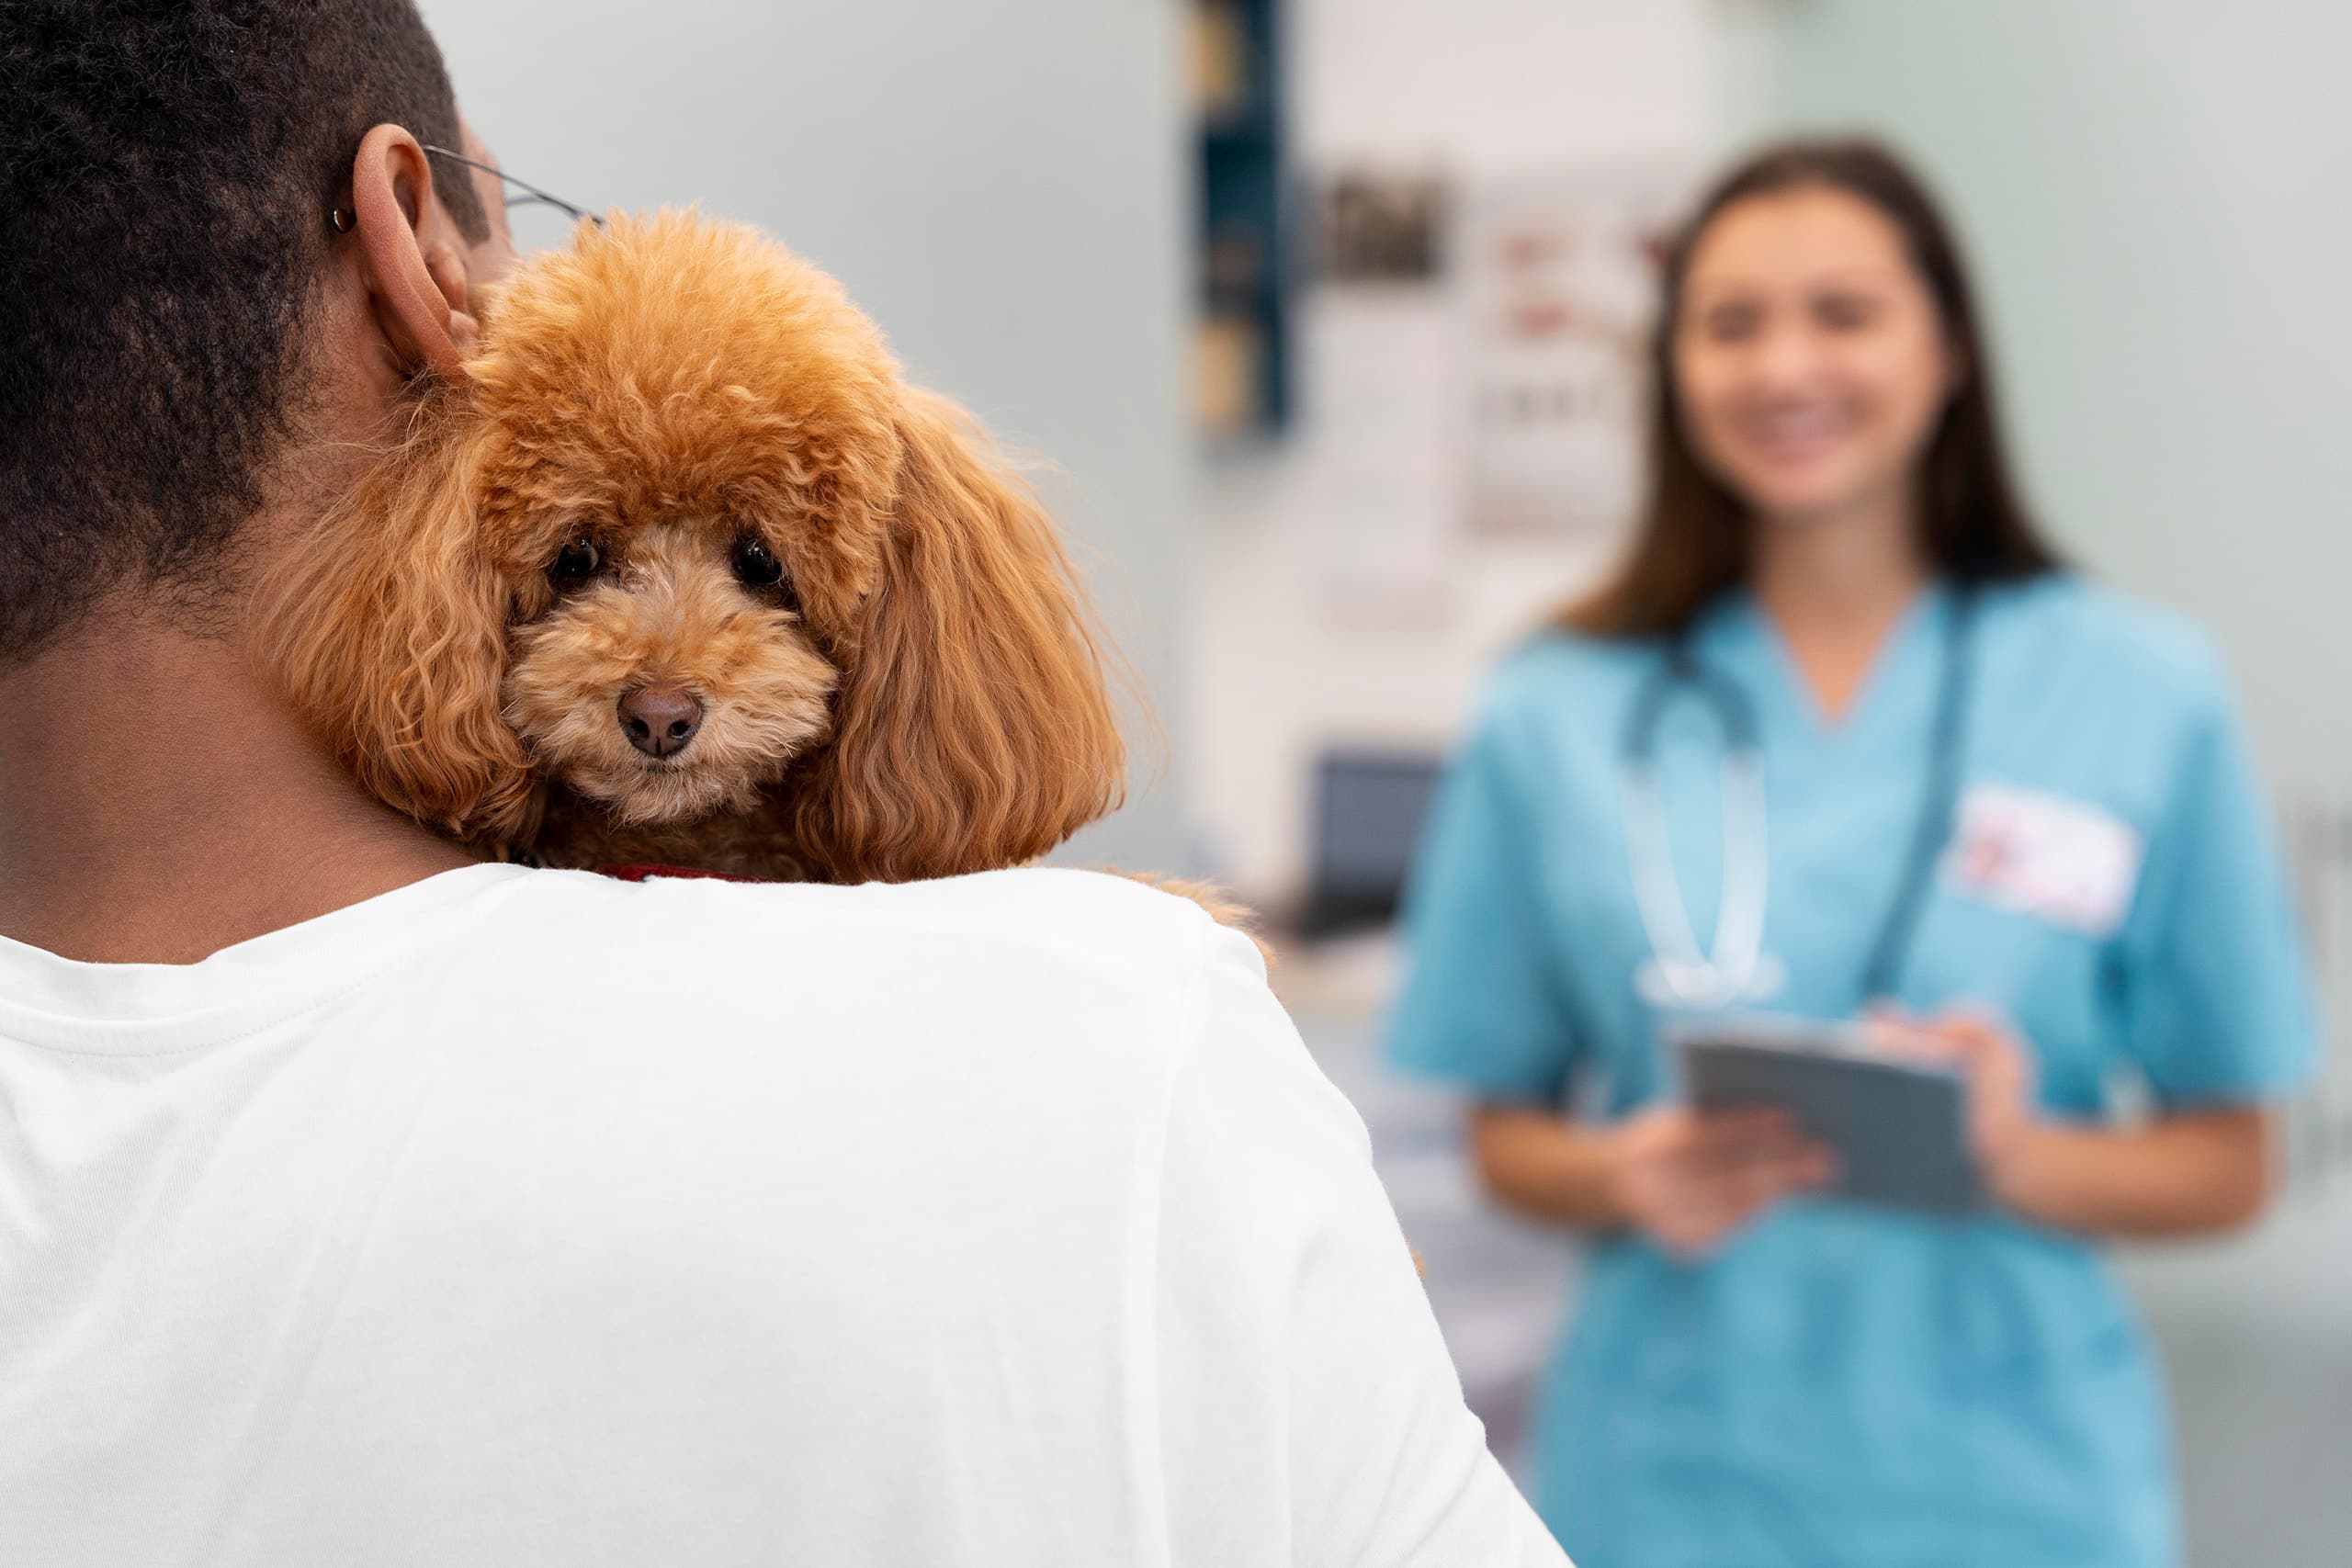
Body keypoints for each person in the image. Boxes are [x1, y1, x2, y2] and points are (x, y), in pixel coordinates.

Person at [0, 6, 1565, 1563]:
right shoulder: (1118, 1051)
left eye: (758, 567)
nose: (666, 682)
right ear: (409, 238)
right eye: (512, 215)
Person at [1387, 137, 2316, 1568]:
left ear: (1948, 350)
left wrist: (2015, 1153)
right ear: (1675, 369)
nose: (1783, 368)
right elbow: (1501, 1130)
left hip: (2018, 1488)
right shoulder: (1551, 707)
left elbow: (2232, 1160)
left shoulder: (2141, 691)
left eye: (1844, 313)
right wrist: (1620, 1174)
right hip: (1671, 1479)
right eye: (1731, 323)